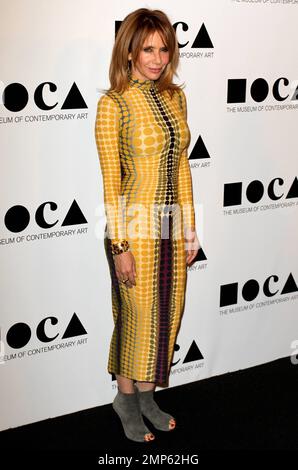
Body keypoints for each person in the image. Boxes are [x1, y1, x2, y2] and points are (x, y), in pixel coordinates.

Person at [95, 8, 200, 443]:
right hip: (134, 225)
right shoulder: (113, 104)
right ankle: (126, 398)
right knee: (136, 320)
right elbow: (111, 180)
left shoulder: (176, 98)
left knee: (166, 320)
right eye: (148, 49)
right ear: (130, 50)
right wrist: (119, 245)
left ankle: (147, 396)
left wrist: (190, 228)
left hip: (171, 225)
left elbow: (183, 167)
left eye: (164, 49)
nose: (157, 58)